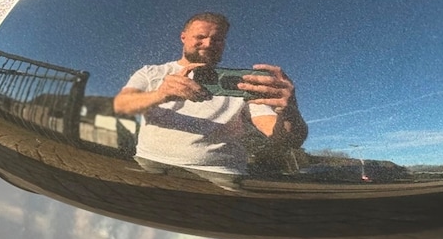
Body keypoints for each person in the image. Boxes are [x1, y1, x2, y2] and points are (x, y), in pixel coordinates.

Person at [113, 12, 306, 177]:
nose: (208, 43)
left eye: (217, 39)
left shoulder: (241, 84)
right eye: (200, 36)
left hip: (221, 174)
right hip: (151, 165)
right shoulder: (152, 72)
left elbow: (287, 139)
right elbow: (120, 106)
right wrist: (161, 94)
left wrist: (290, 111)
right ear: (183, 37)